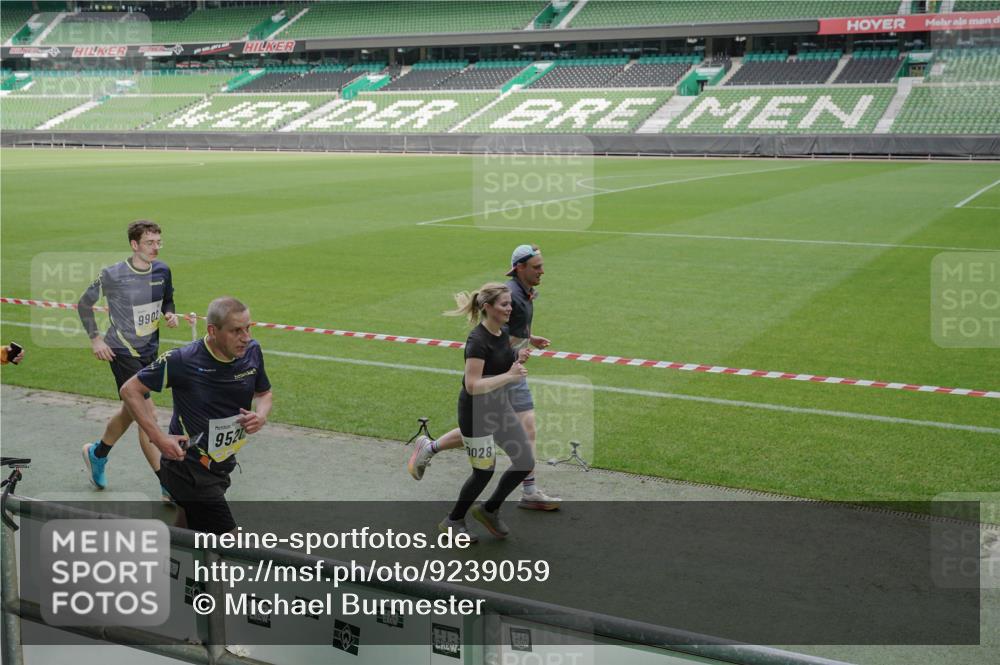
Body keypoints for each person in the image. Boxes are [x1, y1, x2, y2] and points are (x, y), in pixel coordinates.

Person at [409, 244, 561, 511]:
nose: (542, 271)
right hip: (503, 374)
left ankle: (430, 448)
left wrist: (529, 338)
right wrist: (511, 367)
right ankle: (524, 493)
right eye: (536, 267)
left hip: (510, 370)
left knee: (499, 430)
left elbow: (513, 329)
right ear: (520, 268)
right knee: (511, 432)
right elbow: (496, 339)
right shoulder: (512, 296)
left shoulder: (522, 293)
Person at [119, 296, 272, 535]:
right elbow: (130, 390)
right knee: (233, 543)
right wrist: (159, 439)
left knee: (188, 527)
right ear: (212, 331)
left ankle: (165, 554)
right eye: (236, 331)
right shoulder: (183, 360)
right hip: (187, 467)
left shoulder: (252, 352)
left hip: (221, 466)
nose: (246, 337)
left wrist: (260, 415)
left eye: (248, 328)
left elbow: (264, 392)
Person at [79, 220, 178, 499]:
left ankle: (98, 453)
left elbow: (167, 300)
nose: (155, 247)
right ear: (134, 245)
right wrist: (96, 339)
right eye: (149, 242)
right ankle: (167, 483)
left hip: (149, 351)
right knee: (148, 416)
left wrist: (169, 313)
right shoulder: (113, 274)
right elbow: (84, 304)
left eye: (158, 242)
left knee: (131, 410)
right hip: (122, 351)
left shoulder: (162, 270)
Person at [439, 283, 535, 542]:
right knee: (483, 472)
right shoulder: (477, 341)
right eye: (504, 304)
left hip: (499, 407)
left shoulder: (502, 332)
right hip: (476, 413)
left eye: (510, 303)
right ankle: (453, 520)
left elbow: (501, 360)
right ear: (487, 307)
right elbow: (472, 385)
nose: (510, 308)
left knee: (525, 461)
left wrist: (517, 358)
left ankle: (489, 510)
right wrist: (510, 375)